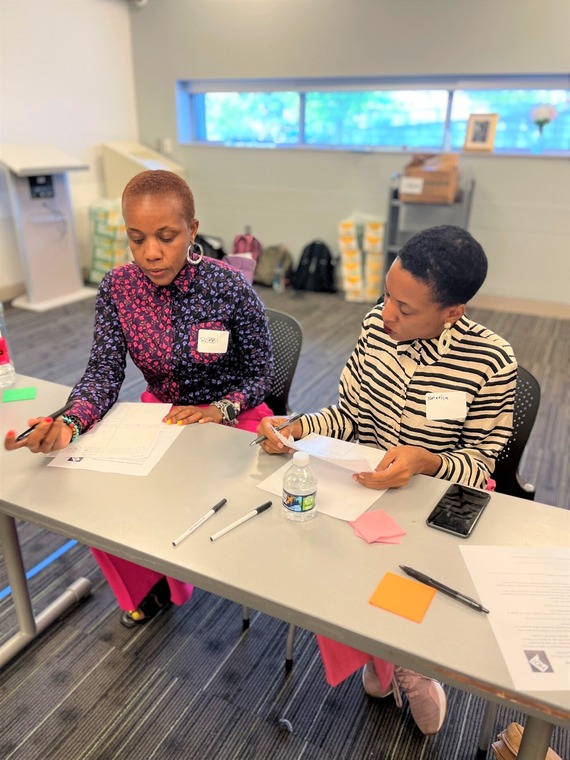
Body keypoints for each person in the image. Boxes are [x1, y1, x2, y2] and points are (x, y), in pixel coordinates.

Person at [256, 224, 517, 736]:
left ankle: (400, 657)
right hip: (366, 484)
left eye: (406, 308)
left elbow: (483, 464)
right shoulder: (376, 326)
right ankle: (389, 657)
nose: (386, 314)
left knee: (401, 571)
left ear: (452, 312)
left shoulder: (491, 360)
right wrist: (300, 427)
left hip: (439, 494)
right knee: (322, 554)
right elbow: (350, 416)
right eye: (387, 295)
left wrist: (424, 462)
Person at [4, 169, 274, 628]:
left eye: (166, 237)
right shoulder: (118, 288)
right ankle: (151, 583)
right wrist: (69, 422)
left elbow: (261, 372)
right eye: (137, 238)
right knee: (94, 494)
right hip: (162, 417)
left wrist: (219, 409)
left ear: (191, 229)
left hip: (234, 416)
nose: (151, 253)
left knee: (236, 510)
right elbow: (104, 372)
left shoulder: (227, 287)